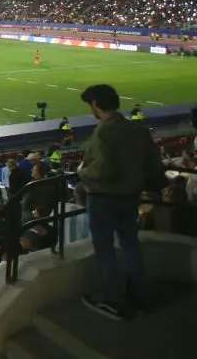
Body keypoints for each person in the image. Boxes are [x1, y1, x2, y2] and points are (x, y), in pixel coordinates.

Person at [77, 83, 163, 320]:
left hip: (104, 197)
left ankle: (114, 300)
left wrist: (83, 175)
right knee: (130, 245)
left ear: (96, 104)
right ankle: (140, 297)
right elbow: (153, 165)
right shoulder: (138, 130)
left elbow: (104, 167)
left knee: (105, 250)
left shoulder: (105, 131)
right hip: (130, 196)